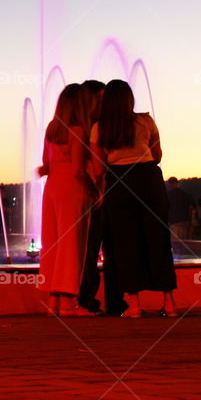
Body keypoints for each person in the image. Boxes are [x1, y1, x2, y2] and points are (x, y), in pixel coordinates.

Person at [90, 80, 177, 318]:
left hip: (119, 181)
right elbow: (157, 155)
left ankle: (134, 305)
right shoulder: (146, 121)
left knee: (125, 243)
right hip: (148, 178)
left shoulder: (99, 128)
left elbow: (98, 169)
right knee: (158, 238)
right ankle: (169, 303)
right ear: (130, 99)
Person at [37, 84, 95, 316]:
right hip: (72, 187)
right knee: (73, 244)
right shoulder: (79, 131)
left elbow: (45, 165)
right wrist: (95, 190)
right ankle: (70, 302)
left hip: (52, 188)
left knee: (53, 242)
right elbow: (80, 169)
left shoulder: (52, 129)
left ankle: (53, 300)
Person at [75, 79, 124, 315]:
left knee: (108, 247)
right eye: (100, 99)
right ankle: (87, 299)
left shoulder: (100, 126)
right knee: (91, 248)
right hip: (93, 194)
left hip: (105, 192)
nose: (104, 103)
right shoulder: (85, 128)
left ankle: (111, 301)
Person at [166, 177, 195, 242]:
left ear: (169, 184)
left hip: (173, 222)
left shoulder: (168, 195)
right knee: (184, 241)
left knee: (175, 242)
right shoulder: (185, 194)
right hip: (184, 221)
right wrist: (190, 220)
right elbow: (191, 208)